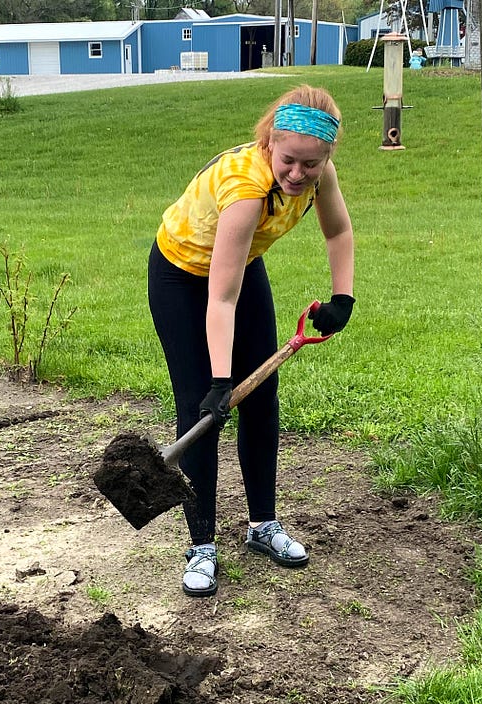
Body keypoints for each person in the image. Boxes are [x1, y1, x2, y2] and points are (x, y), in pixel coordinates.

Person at [147, 84, 355, 597]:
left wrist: (342, 299)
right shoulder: (245, 189)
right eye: (289, 161)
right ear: (268, 143)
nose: (298, 174)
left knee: (262, 400)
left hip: (242, 266)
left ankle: (263, 525)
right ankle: (201, 546)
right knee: (202, 410)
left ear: (326, 156)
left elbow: (338, 233)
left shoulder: (318, 174)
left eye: (311, 164)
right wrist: (221, 381)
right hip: (182, 276)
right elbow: (220, 300)